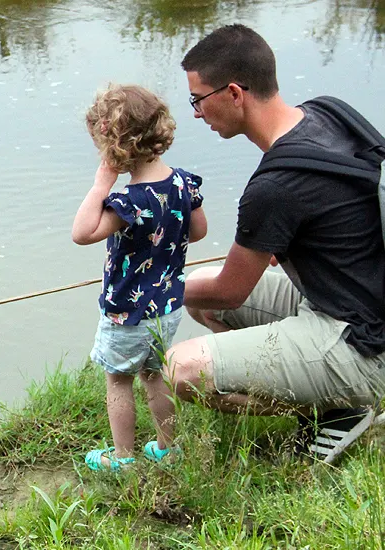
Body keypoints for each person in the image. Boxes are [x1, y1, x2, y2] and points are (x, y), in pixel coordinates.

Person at [168, 24, 385, 447]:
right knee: (204, 301)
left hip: (361, 342)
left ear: (234, 93)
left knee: (181, 368)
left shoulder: (274, 187)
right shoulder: (327, 112)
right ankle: (321, 387)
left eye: (198, 99)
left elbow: (230, 291)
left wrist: (151, 289)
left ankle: (340, 408)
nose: (195, 112)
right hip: (355, 302)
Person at [72, 84, 207, 471]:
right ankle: (167, 448)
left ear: (114, 147)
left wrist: (102, 184)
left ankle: (122, 458)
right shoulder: (183, 184)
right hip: (166, 307)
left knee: (118, 381)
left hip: (126, 313)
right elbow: (197, 231)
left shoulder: (127, 202)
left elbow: (82, 233)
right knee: (155, 375)